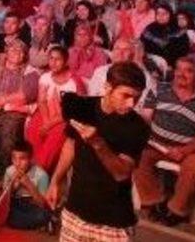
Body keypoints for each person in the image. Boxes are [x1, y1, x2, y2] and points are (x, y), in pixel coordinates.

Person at [46, 62, 151, 242]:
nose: (131, 104)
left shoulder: (138, 127)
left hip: (113, 222)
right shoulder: (83, 107)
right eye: (125, 95)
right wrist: (55, 181)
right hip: (75, 212)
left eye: (136, 98)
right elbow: (70, 144)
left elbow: (121, 173)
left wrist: (97, 143)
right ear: (107, 87)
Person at [132, 55, 195, 225]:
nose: (181, 74)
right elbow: (145, 118)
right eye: (178, 69)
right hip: (157, 144)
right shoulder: (158, 89)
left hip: (189, 148)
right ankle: (152, 202)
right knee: (136, 153)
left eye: (188, 71)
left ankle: (176, 210)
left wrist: (184, 151)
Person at [26, 45, 84, 171]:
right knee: (33, 129)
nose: (53, 63)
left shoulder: (74, 82)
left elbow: (71, 110)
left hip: (64, 117)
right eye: (51, 58)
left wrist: (49, 124)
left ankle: (40, 170)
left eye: (58, 59)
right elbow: (41, 101)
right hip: (46, 112)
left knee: (55, 136)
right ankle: (29, 165)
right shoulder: (45, 77)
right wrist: (46, 121)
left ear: (66, 61)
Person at [4, 140, 53, 231]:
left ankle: (15, 223)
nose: (17, 163)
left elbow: (42, 204)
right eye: (14, 158)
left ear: (30, 159)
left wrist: (29, 184)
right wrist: (13, 186)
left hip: (32, 205)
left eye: (22, 159)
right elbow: (4, 200)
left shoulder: (42, 175)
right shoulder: (9, 171)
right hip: (15, 203)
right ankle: (36, 225)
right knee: (4, 212)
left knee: (43, 215)